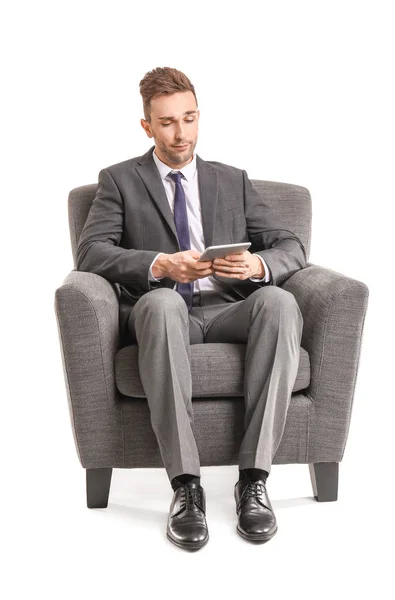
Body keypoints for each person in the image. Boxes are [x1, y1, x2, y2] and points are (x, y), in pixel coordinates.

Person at [76, 66, 306, 551]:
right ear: (146, 126)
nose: (181, 134)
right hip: (162, 311)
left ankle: (254, 479)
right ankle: (186, 487)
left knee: (281, 303)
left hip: (228, 309)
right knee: (160, 305)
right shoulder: (118, 180)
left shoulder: (232, 180)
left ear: (199, 117)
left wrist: (258, 266)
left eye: (189, 118)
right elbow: (91, 252)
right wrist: (160, 265)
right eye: (167, 123)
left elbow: (290, 243)